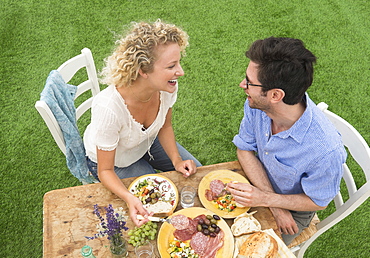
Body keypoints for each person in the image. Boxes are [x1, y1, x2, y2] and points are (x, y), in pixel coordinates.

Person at [227, 37, 347, 245]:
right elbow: (244, 150)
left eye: (249, 82)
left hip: (296, 209)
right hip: (262, 187)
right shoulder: (258, 104)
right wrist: (273, 204)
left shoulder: (325, 151)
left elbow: (318, 202)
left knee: (237, 248)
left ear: (275, 95)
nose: (242, 85)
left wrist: (268, 201)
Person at [83, 20, 202, 227]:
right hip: (114, 162)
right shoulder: (108, 108)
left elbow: (165, 126)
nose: (180, 72)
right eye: (172, 66)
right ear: (143, 71)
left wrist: (176, 160)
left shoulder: (167, 87)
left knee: (196, 174)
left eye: (178, 63)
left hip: (146, 140)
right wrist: (130, 199)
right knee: (157, 203)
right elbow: (105, 171)